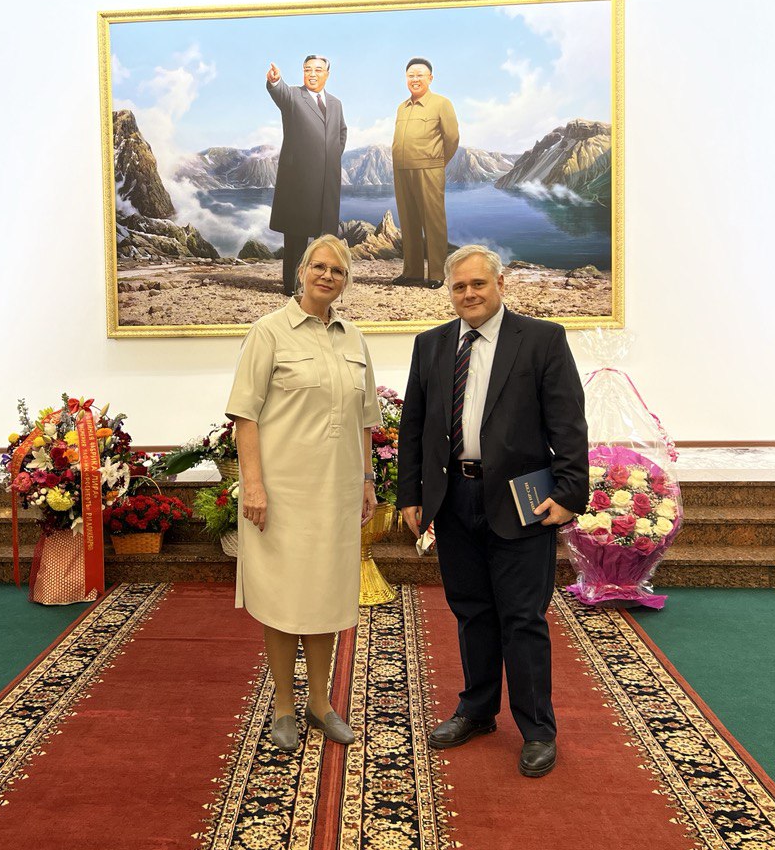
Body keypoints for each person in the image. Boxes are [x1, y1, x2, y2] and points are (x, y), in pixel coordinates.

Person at [396, 245, 588, 777]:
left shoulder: (542, 339)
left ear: (500, 284)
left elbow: (569, 423)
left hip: (523, 501)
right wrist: (410, 493)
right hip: (453, 498)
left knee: (523, 618)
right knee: (472, 610)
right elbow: (413, 425)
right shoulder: (431, 345)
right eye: (459, 286)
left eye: (478, 284)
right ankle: (478, 710)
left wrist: (569, 493)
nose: (469, 294)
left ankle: (538, 730)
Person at [226, 234, 383, 751]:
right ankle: (283, 707)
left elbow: (365, 420)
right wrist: (253, 484)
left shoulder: (355, 339)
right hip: (282, 494)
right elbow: (245, 415)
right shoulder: (268, 332)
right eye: (319, 266)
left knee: (325, 598)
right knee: (284, 598)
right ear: (301, 271)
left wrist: (367, 480)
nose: (327, 276)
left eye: (338, 271)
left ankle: (320, 704)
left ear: (346, 281)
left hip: (337, 494)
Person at [265, 56, 349, 295]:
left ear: (327, 74)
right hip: (299, 180)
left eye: (318, 70)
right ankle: (292, 286)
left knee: (325, 236)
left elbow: (342, 132)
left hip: (327, 181)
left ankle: (322, 282)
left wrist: (331, 157)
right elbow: (279, 91)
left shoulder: (335, 103)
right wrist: (275, 81)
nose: (312, 74)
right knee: (296, 235)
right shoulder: (293, 96)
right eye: (307, 69)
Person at [391, 57, 459, 290]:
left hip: (429, 168)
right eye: (411, 75)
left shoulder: (442, 103)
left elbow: (452, 138)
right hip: (402, 169)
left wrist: (437, 162)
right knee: (408, 221)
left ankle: (437, 273)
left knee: (433, 220)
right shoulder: (402, 107)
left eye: (420, 75)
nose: (415, 79)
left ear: (430, 78)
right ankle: (412, 272)